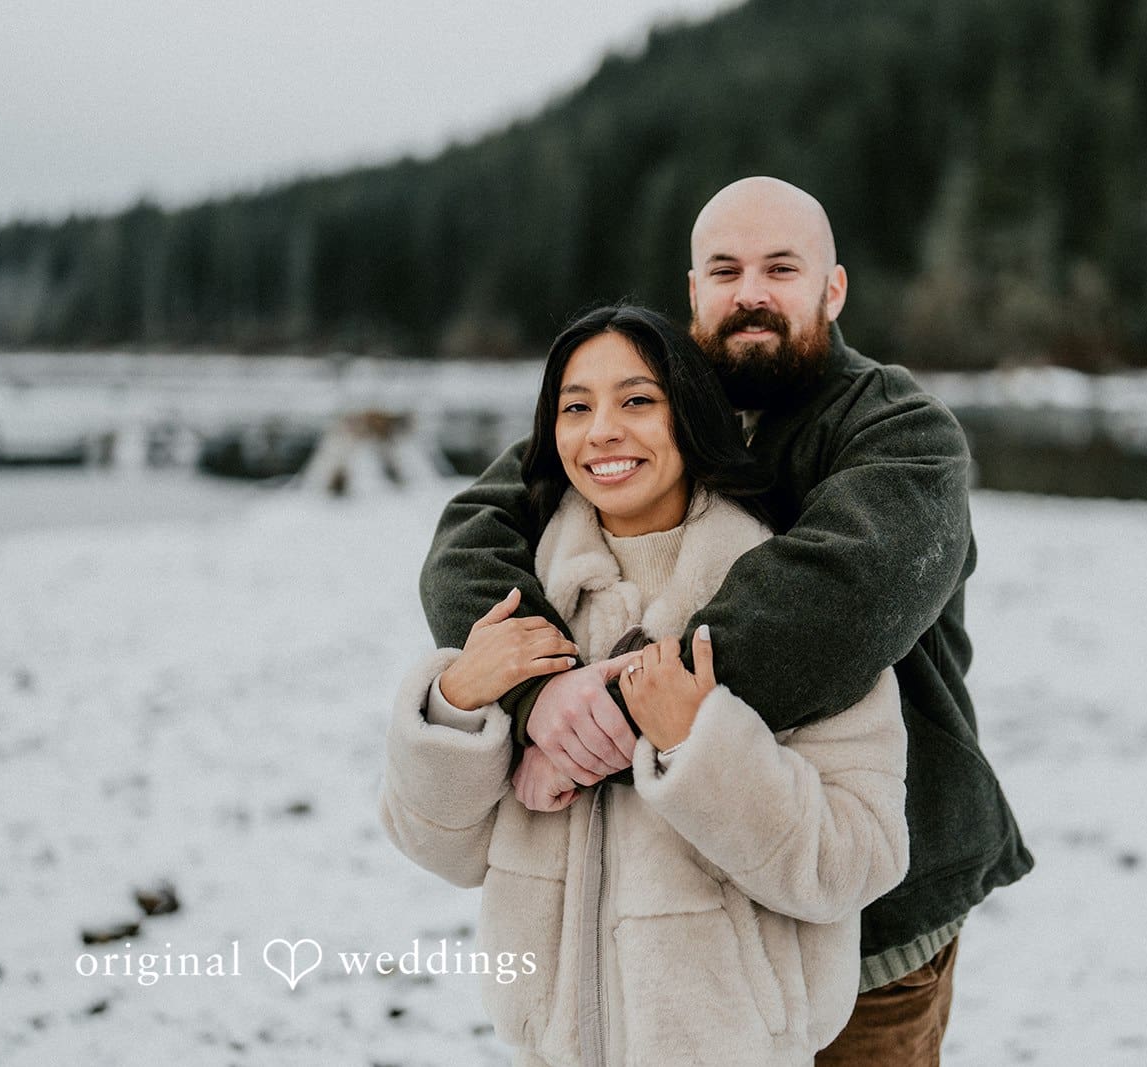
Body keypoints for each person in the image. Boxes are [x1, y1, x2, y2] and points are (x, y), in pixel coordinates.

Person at [419, 177, 1033, 1064]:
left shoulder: (902, 433)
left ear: (834, 289)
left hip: (870, 918)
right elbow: (471, 538)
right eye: (726, 269)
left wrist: (601, 717)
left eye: (781, 268)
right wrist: (536, 692)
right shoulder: (654, 403)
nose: (751, 292)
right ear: (694, 291)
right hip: (682, 932)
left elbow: (826, 606)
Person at [381, 304, 910, 1066]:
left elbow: (857, 858)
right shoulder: (524, 601)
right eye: (575, 407)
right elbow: (443, 850)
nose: (601, 431)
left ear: (690, 414)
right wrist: (457, 704)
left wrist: (701, 745)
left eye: (637, 400)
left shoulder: (798, 607)